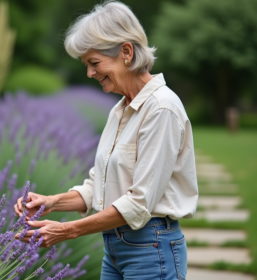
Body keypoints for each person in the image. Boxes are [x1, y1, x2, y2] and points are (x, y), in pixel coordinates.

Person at [14, 1, 198, 279]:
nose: (90, 73)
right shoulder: (121, 109)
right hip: (115, 249)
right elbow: (98, 186)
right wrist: (51, 201)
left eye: (95, 63)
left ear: (126, 51)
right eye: (87, 65)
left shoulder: (161, 109)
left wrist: (67, 231)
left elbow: (139, 203)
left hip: (151, 249)